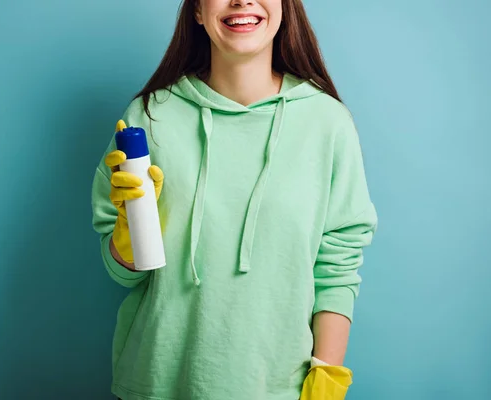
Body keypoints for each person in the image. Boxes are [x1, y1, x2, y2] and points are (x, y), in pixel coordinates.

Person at [91, 0, 378, 398]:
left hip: (278, 388)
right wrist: (128, 236)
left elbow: (337, 266)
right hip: (156, 383)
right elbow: (123, 274)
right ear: (196, 10)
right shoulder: (149, 117)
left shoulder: (327, 123)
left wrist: (326, 381)